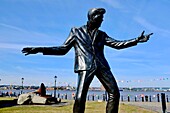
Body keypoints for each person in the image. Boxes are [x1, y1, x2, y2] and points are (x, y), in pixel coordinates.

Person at [22, 8, 153, 113]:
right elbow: (62, 49)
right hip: (85, 66)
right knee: (79, 97)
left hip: (102, 66)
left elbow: (117, 44)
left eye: (102, 18)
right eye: (100, 17)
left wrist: (136, 40)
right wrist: (40, 49)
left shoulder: (102, 34)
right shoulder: (76, 31)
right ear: (91, 17)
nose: (102, 20)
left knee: (115, 93)